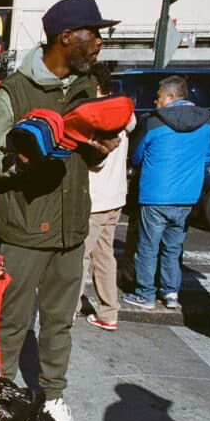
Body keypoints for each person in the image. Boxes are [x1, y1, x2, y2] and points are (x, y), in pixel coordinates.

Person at [0, 0, 122, 421]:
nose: (99, 42)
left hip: (71, 229)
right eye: (93, 34)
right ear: (66, 37)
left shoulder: (84, 88)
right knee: (12, 322)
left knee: (59, 321)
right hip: (22, 230)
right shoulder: (14, 92)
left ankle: (54, 395)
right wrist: (18, 163)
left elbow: (84, 159)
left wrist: (98, 152)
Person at [122, 76, 210, 311]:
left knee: (148, 247)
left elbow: (137, 156)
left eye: (159, 97)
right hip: (187, 196)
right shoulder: (206, 123)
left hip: (155, 194)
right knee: (173, 247)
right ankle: (170, 292)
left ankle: (145, 294)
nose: (156, 102)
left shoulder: (154, 123)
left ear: (171, 96)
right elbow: (206, 158)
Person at [80, 63, 136, 331]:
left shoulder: (102, 116)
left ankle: (64, 313)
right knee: (103, 255)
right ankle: (109, 312)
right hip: (115, 195)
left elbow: (96, 161)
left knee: (79, 256)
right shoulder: (123, 113)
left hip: (97, 197)